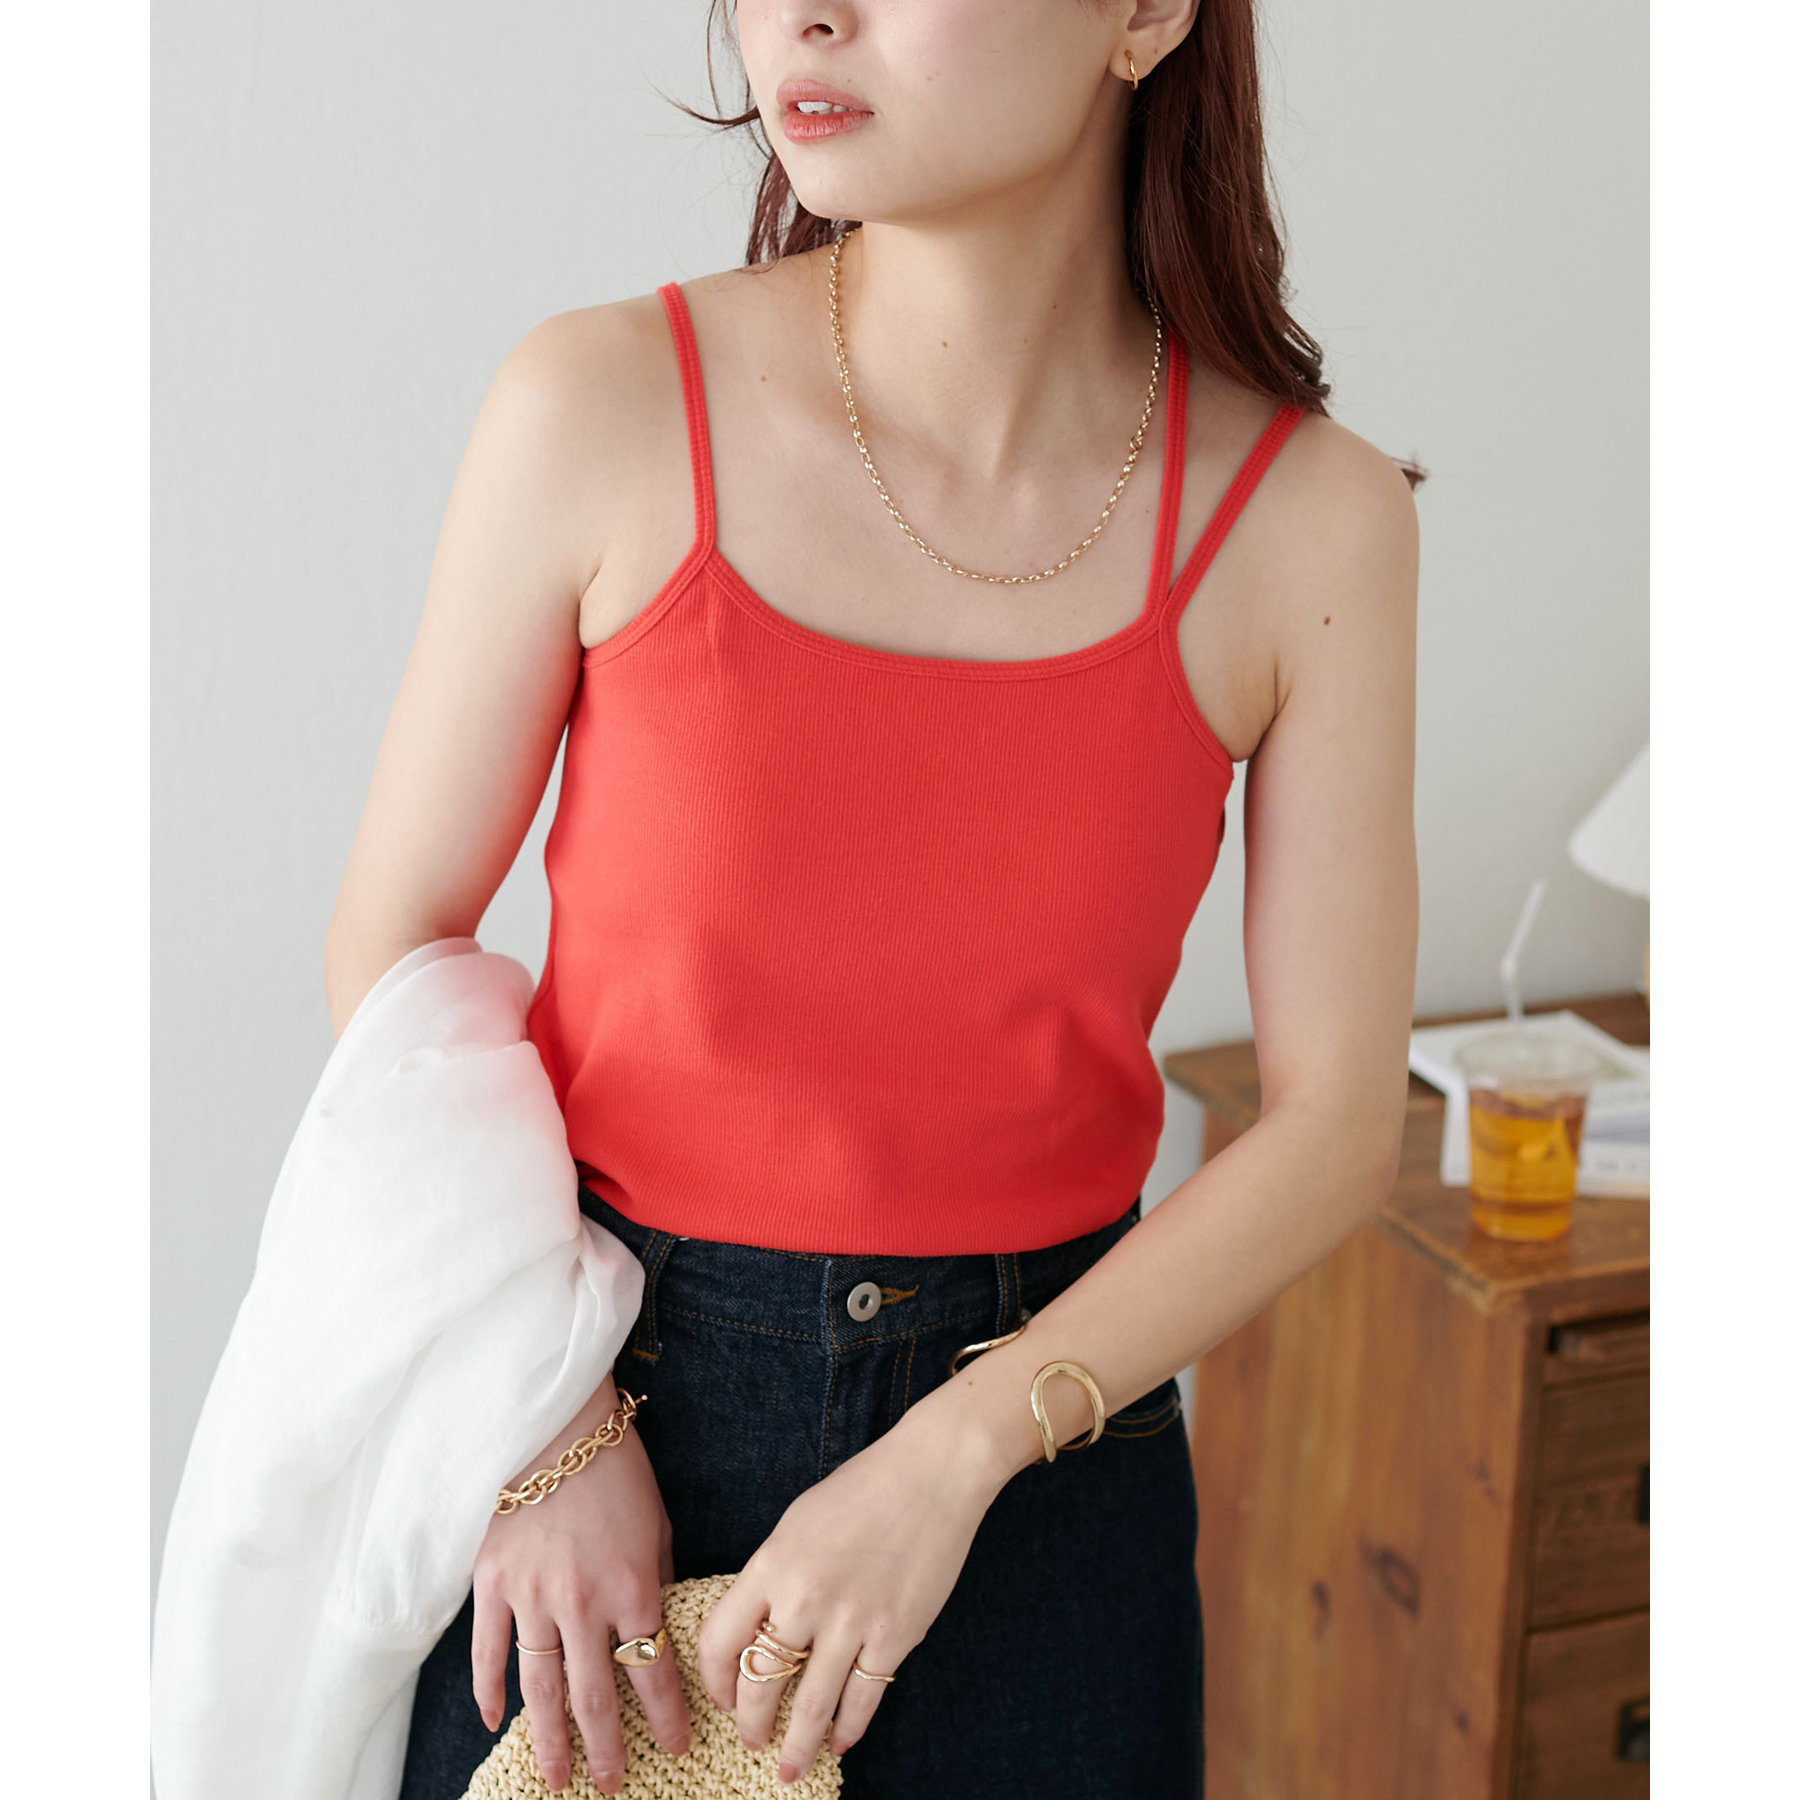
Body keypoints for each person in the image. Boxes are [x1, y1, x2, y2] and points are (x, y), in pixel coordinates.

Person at [324, 2, 1420, 1795]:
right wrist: (544, 1425)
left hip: (1051, 1474)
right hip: (601, 1451)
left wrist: (957, 1456)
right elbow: (398, 946)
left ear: (1147, 15)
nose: (805, 14)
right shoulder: (598, 405)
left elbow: (1335, 1121)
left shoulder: (1316, 525)